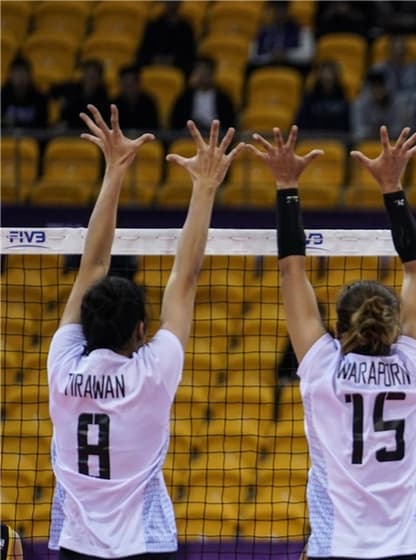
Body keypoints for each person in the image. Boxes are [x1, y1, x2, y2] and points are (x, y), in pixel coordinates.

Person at [47, 105, 244, 559]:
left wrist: (113, 169)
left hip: (77, 547)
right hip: (145, 545)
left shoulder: (61, 365)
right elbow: (185, 278)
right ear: (141, 330)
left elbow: (91, 265)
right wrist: (205, 186)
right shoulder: (151, 375)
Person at [246, 124, 416, 558]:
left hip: (335, 548)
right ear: (393, 322)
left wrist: (286, 185)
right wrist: (393, 187)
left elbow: (290, 270)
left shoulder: (322, 369)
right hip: (401, 549)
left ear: (338, 324)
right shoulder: (412, 367)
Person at [169, 57, 237, 131]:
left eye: (206, 71)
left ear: (212, 73)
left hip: (216, 135)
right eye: (199, 71)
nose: (202, 75)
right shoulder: (185, 97)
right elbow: (176, 122)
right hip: (190, 135)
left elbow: (230, 123)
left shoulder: (224, 98)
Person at [249, 0, 314, 73]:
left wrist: (287, 55)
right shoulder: (264, 31)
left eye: (282, 9)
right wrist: (270, 56)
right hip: (267, 68)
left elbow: (307, 55)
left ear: (288, 10)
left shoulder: (300, 30)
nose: (279, 12)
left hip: (293, 68)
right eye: (277, 9)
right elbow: (252, 56)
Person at [136, 0, 196, 77]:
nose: (171, 3)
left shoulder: (187, 28)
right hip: (153, 69)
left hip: (178, 72)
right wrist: (154, 59)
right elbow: (143, 53)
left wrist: (173, 61)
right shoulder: (153, 26)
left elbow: (189, 56)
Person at [295, 61, 350, 133]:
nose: (327, 77)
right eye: (324, 73)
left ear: (336, 77)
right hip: (312, 138)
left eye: (330, 74)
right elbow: (301, 122)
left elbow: (347, 124)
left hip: (337, 139)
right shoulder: (310, 98)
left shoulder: (344, 97)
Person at [54, 60, 110, 130]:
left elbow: (95, 120)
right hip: (67, 131)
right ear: (84, 75)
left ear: (100, 78)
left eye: (94, 76)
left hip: (88, 131)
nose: (91, 79)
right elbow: (53, 90)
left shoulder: (103, 96)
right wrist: (60, 98)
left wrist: (69, 124)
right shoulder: (72, 88)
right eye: (88, 74)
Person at [1, 57, 48, 129]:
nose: (20, 77)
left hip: (31, 139)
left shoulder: (39, 98)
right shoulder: (2, 96)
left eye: (24, 72)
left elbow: (42, 128)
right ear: (10, 76)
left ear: (30, 76)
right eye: (17, 73)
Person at [111, 65, 160, 131]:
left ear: (139, 83)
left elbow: (154, 129)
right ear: (120, 84)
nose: (129, 87)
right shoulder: (113, 103)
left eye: (132, 83)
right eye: (126, 83)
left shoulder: (149, 103)